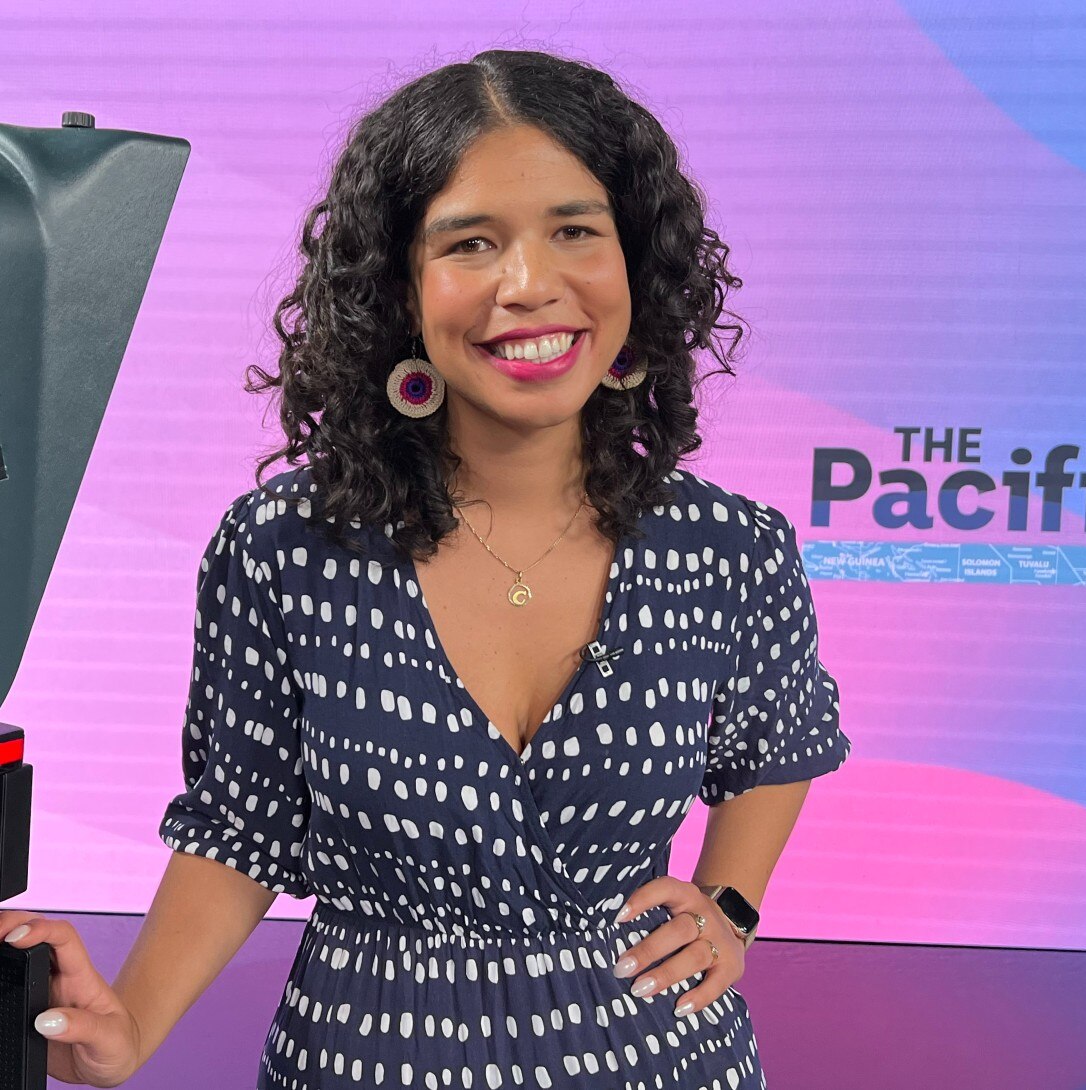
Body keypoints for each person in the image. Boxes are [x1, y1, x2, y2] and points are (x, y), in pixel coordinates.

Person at [0, 48, 851, 1088]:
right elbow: (241, 831)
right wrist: (128, 1026)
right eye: (471, 244)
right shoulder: (284, 548)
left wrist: (730, 907)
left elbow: (783, 737)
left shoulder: (731, 548)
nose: (531, 285)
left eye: (577, 231)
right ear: (399, 290)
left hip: (663, 1057)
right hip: (366, 1055)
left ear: (639, 260)